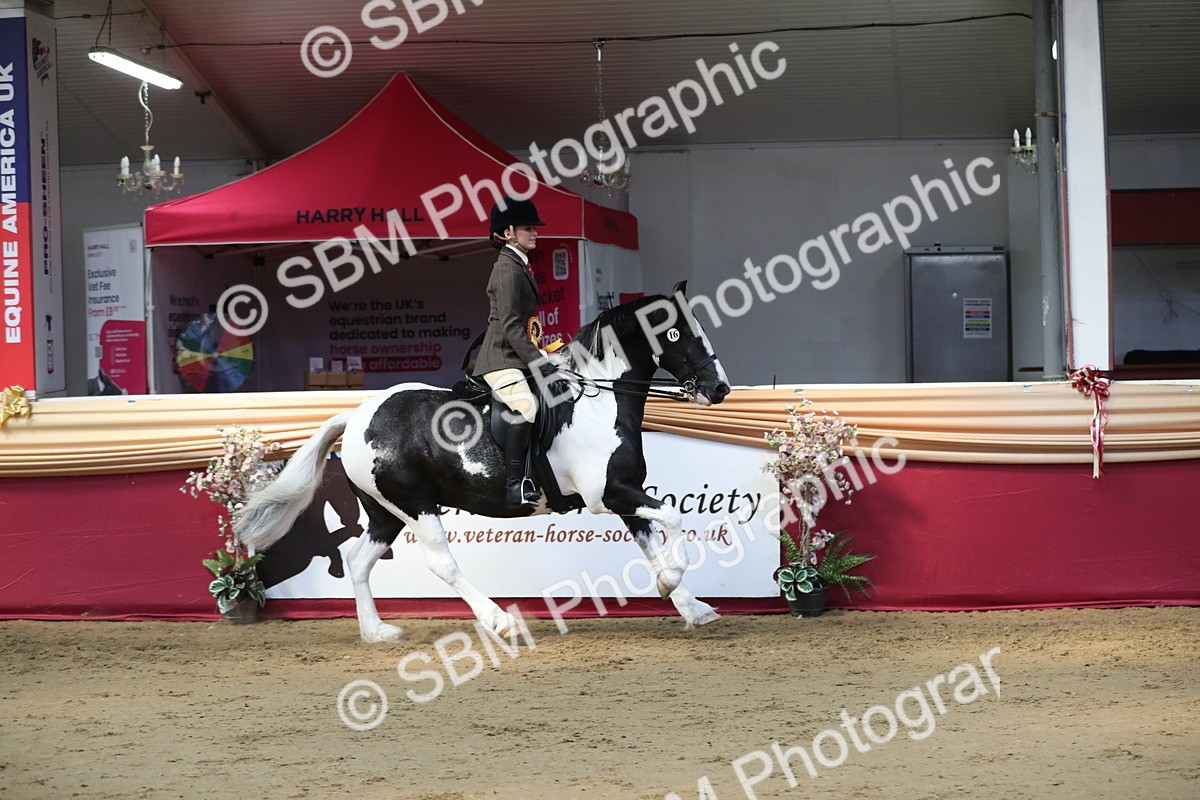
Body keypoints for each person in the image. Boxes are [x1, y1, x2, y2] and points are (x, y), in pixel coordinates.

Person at [473, 196, 552, 510]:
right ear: (507, 233)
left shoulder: (518, 263)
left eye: (534, 228)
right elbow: (509, 325)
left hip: (514, 355)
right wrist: (537, 361)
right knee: (526, 406)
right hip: (500, 358)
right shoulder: (507, 268)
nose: (535, 233)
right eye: (527, 228)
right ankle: (514, 485)